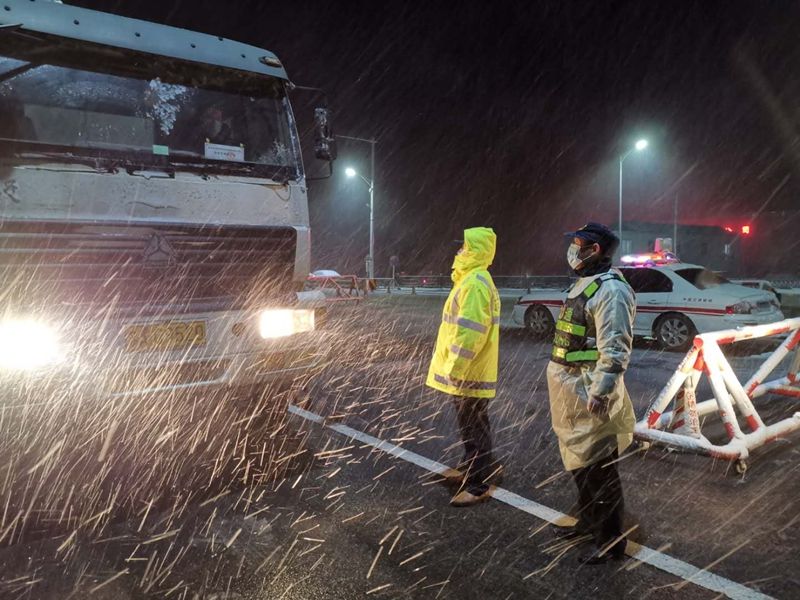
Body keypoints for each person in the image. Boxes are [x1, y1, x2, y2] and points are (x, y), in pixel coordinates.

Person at [545, 222, 636, 564]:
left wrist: (601, 391)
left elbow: (615, 348)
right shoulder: (587, 284)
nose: (572, 249)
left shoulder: (611, 290)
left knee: (601, 469)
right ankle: (589, 521)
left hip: (590, 392)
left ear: (593, 249)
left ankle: (611, 541)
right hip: (572, 391)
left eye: (578, 243)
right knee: (581, 465)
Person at [426, 227, 502, 507]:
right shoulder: (471, 279)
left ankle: (478, 483)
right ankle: (473, 469)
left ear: (475, 251)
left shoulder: (475, 283)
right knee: (471, 426)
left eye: (465, 247)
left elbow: (470, 332)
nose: (459, 251)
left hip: (468, 372)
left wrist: (456, 369)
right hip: (469, 370)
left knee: (475, 427)